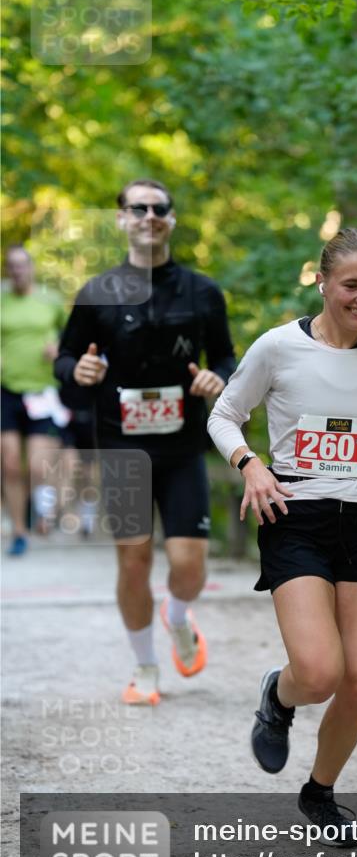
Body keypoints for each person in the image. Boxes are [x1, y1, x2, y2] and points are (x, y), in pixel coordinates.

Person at [208, 227, 357, 845]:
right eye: (351, 285)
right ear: (322, 282)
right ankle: (279, 694)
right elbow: (225, 414)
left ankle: (320, 792)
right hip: (297, 517)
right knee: (319, 673)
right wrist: (250, 465)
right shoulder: (277, 348)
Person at [55, 179, 236, 706]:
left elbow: (226, 358)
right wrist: (80, 369)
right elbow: (64, 363)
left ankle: (177, 616)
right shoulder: (97, 294)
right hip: (122, 447)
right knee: (133, 561)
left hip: (181, 447)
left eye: (160, 209)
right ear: (121, 220)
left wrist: (217, 377)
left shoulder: (203, 292)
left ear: (172, 220)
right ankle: (145, 667)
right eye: (139, 208)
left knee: (187, 563)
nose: (150, 216)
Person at [1, 245, 67, 554]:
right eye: (11, 266)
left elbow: (71, 339)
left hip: (43, 391)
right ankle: (18, 530)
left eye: (21, 265)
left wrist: (59, 349)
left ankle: (36, 508)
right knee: (11, 464)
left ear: (31, 268)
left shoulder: (50, 301)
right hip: (7, 389)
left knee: (39, 467)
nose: (17, 271)